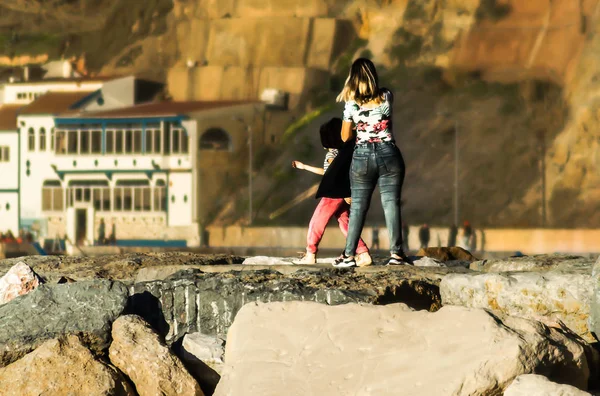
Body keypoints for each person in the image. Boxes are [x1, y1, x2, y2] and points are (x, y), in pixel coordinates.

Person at [334, 58, 409, 267]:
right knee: (391, 204)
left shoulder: (351, 102)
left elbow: (344, 137)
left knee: (357, 207)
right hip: (389, 154)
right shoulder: (387, 96)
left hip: (362, 156)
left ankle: (349, 256)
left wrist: (356, 119)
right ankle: (397, 254)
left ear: (353, 78)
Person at [292, 117, 372, 266]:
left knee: (317, 221)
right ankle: (363, 252)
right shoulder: (348, 150)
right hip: (343, 192)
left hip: (334, 192)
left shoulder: (333, 155)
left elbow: (335, 173)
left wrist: (347, 192)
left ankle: (310, 253)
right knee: (345, 222)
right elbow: (335, 172)